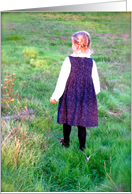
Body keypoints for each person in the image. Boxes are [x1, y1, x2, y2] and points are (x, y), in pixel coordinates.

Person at [50, 31, 100, 150]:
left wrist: (55, 96)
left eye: (72, 43)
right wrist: (93, 94)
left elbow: (62, 80)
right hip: (85, 98)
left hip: (70, 96)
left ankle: (66, 142)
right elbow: (96, 82)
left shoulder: (69, 60)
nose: (71, 46)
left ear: (77, 45)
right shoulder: (91, 62)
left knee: (67, 119)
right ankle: (82, 148)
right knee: (82, 124)